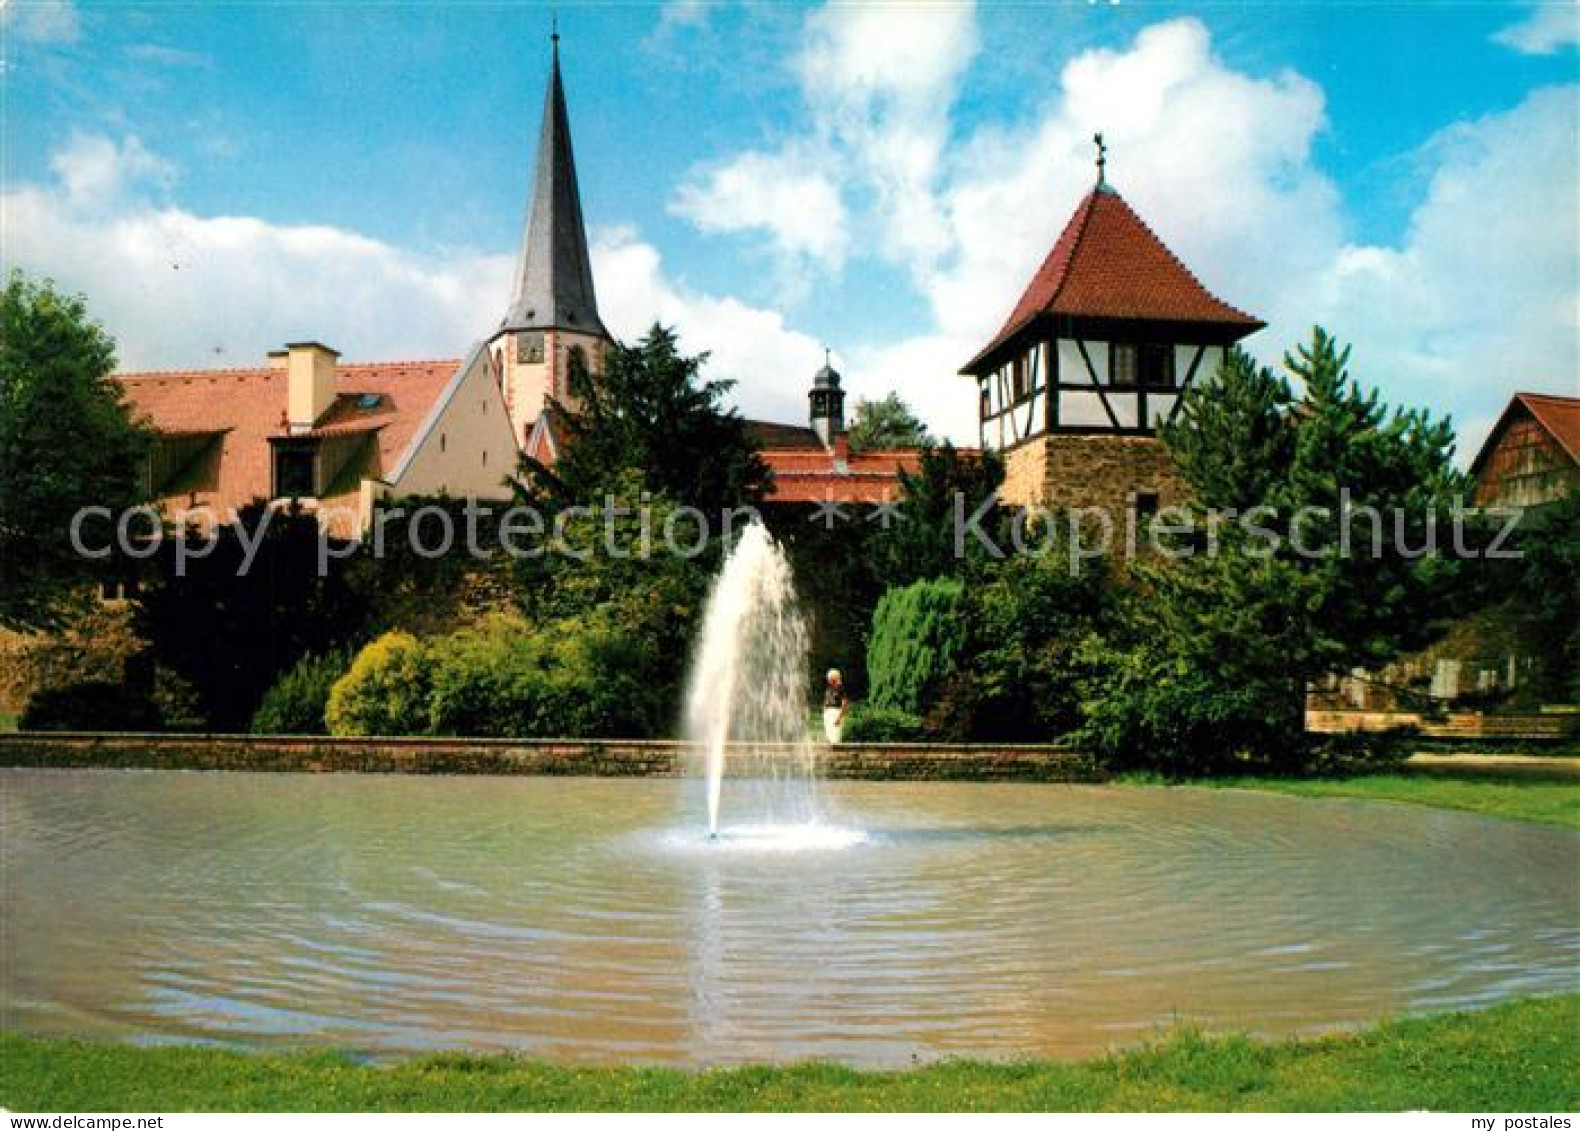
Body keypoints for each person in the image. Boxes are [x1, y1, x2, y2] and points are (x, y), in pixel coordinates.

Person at [822, 668, 848, 744]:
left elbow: (845, 703)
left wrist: (839, 717)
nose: (829, 680)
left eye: (830, 678)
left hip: (836, 712)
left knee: (835, 735)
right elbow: (826, 701)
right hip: (828, 713)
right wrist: (824, 710)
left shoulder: (841, 688)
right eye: (828, 678)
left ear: (834, 678)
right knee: (829, 734)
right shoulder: (829, 689)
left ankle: (836, 752)